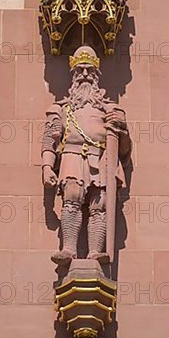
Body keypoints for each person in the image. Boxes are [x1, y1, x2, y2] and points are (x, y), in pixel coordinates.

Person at [41, 46, 131, 264]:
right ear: (73, 74)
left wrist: (121, 129)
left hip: (100, 159)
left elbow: (125, 149)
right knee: (71, 200)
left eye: (89, 70)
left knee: (99, 206)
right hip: (72, 156)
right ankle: (69, 249)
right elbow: (49, 140)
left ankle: (95, 251)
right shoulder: (61, 109)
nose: (84, 75)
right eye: (79, 70)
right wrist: (46, 166)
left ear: (96, 74)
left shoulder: (109, 109)